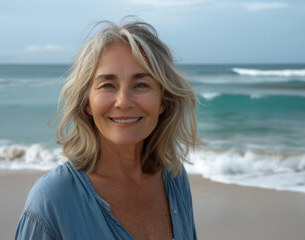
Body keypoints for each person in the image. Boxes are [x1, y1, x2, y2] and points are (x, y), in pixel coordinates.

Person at [15, 18, 199, 240]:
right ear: (86, 102)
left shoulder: (173, 176)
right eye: (107, 85)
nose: (123, 102)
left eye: (141, 84)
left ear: (163, 101)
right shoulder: (53, 198)